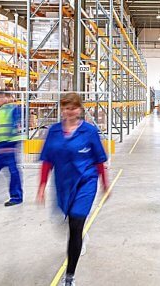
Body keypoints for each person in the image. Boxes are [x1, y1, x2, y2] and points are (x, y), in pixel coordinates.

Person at [37, 93, 109, 286]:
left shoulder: (89, 132)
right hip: (63, 184)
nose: (70, 111)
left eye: (74, 108)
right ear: (62, 109)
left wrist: (105, 183)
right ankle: (80, 235)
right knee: (66, 221)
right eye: (66, 107)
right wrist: (41, 186)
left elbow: (99, 159)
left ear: (80, 109)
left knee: (75, 225)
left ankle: (69, 276)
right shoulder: (53, 132)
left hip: (86, 182)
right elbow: (47, 160)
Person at [0, 90, 23, 206]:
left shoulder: (12, 109)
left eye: (0, 97)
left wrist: (11, 146)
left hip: (9, 144)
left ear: (7, 98)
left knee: (13, 171)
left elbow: (15, 126)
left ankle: (16, 197)